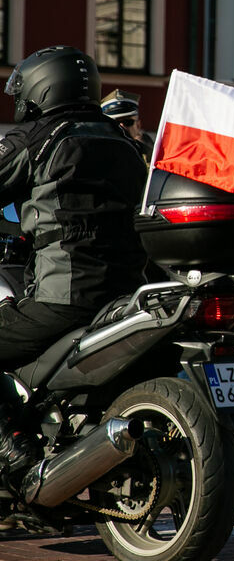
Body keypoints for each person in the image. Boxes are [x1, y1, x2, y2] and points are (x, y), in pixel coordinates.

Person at [0, 47, 148, 484]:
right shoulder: (122, 141)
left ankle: (13, 450)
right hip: (126, 295)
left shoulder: (38, 137)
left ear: (41, 87)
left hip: (62, 296)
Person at [100, 88, 154, 164]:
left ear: (138, 125)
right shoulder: (95, 153)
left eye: (127, 122)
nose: (121, 126)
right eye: (115, 122)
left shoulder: (151, 158)